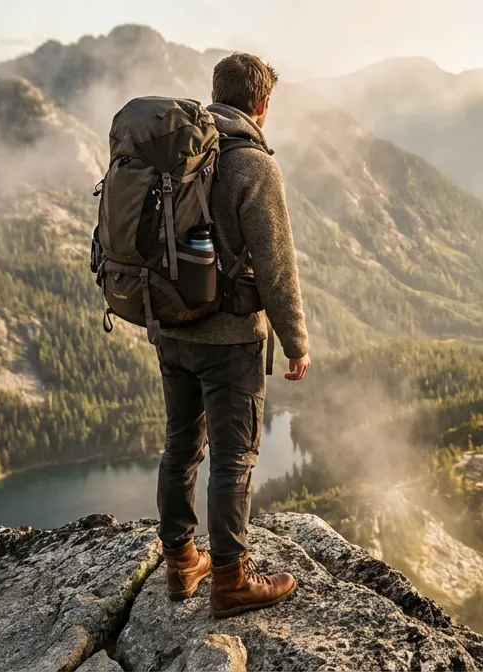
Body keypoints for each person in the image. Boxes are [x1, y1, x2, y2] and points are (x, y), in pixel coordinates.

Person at [155, 52, 310, 619]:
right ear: (262, 104)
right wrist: (296, 342)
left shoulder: (176, 151)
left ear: (216, 92)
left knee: (180, 446)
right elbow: (276, 267)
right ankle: (231, 580)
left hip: (171, 327)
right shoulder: (253, 165)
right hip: (231, 341)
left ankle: (181, 563)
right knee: (233, 459)